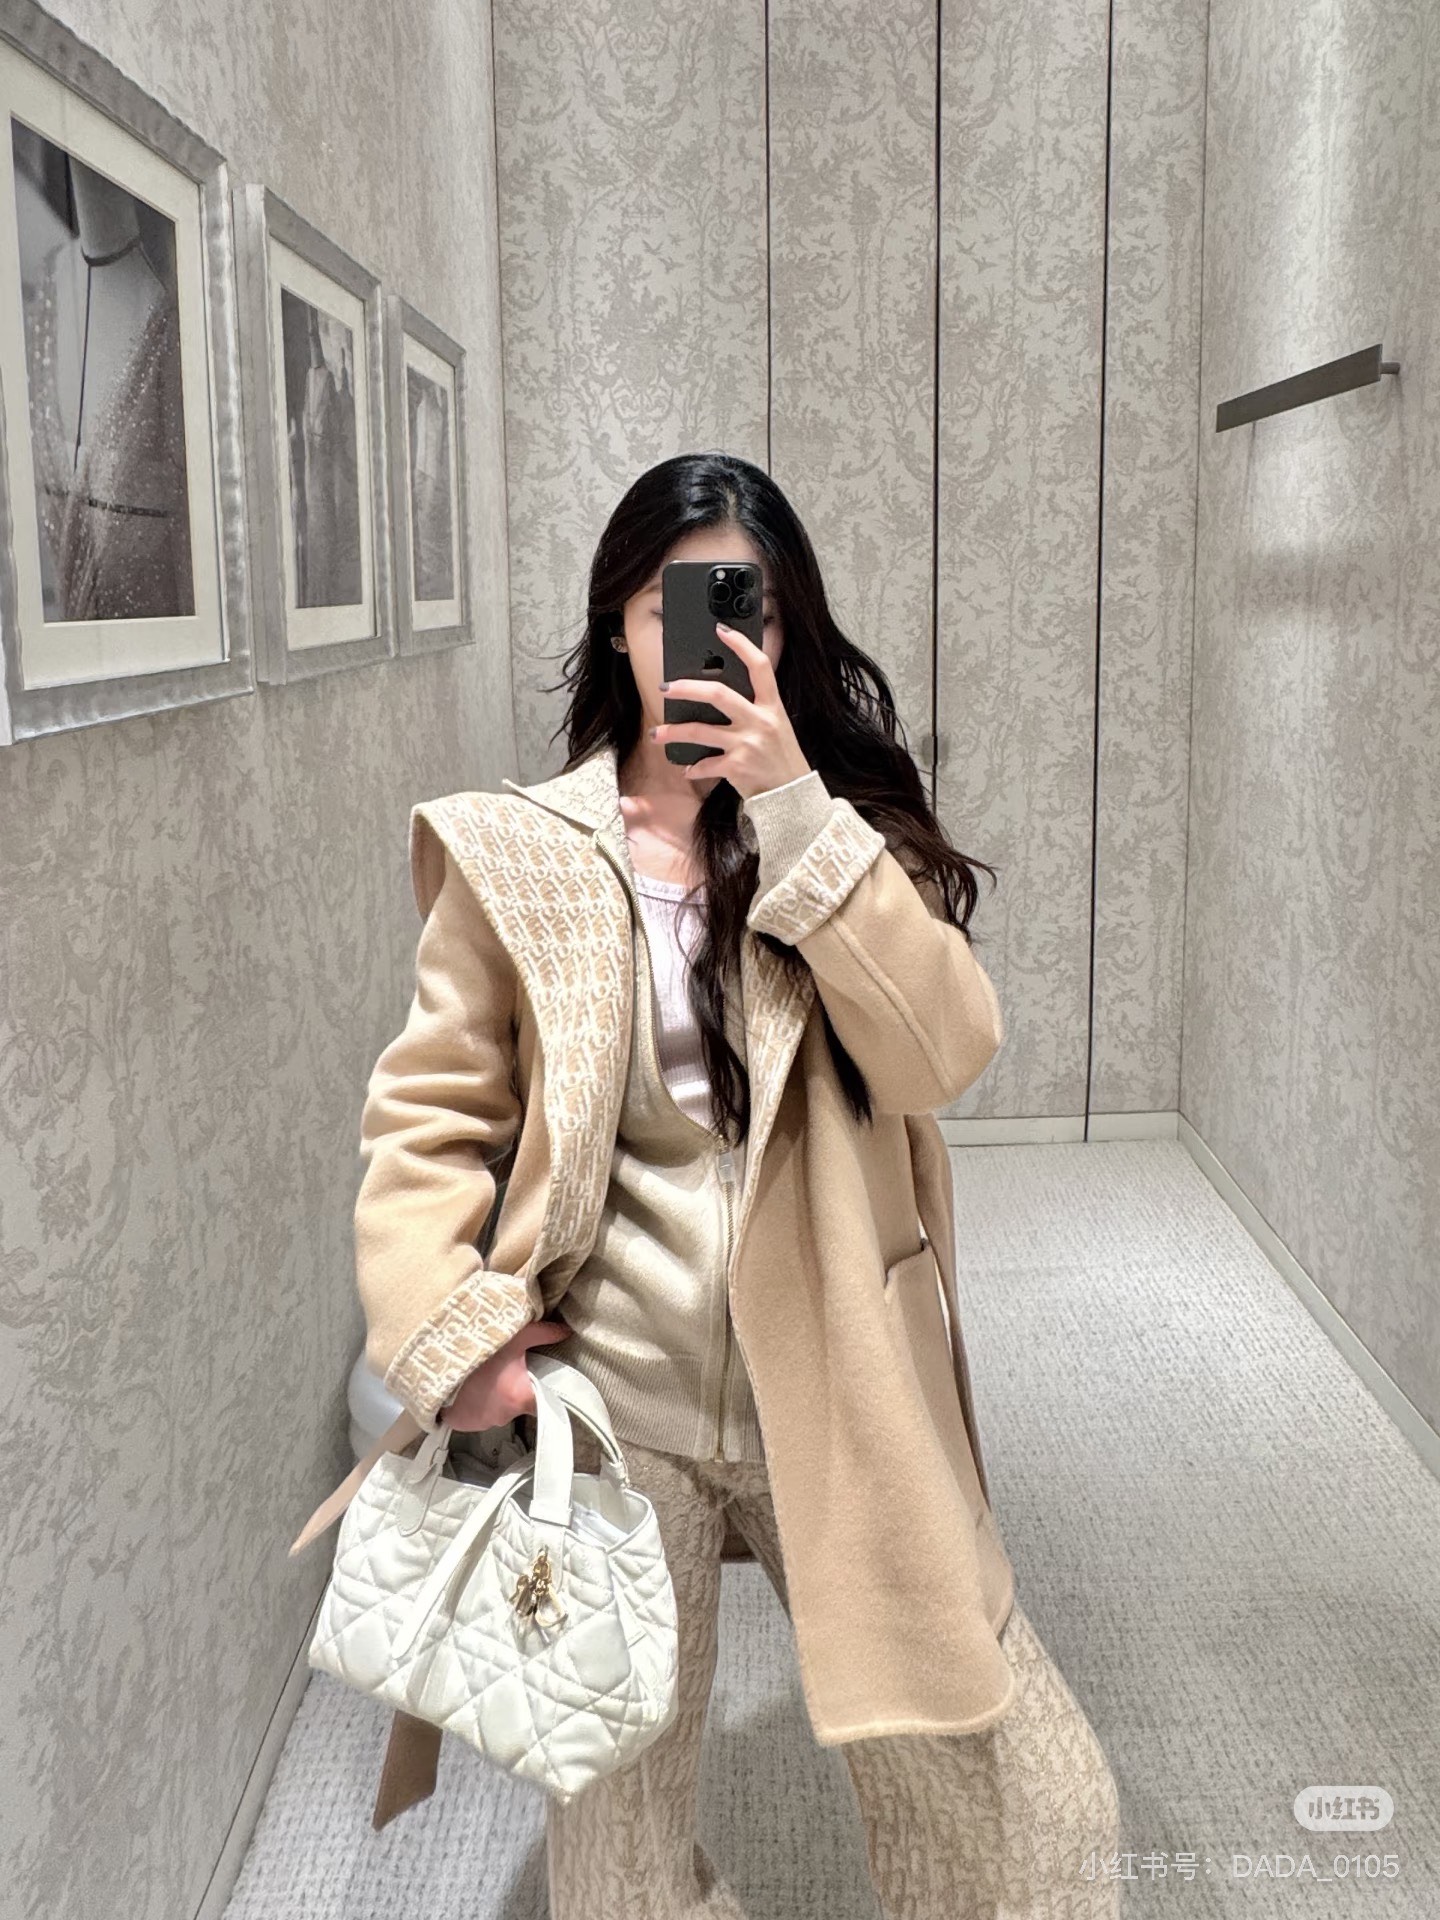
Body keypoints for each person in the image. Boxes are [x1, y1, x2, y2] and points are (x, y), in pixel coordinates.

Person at [352, 451, 1122, 1916]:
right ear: (619, 624)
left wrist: (797, 811)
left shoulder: (841, 838)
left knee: (1025, 1803)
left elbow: (942, 1054)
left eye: (741, 608)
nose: (704, 641)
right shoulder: (521, 857)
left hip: (838, 1372)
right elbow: (427, 1123)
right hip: (613, 1406)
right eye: (671, 606)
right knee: (619, 1842)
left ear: (784, 629)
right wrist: (457, 1343)